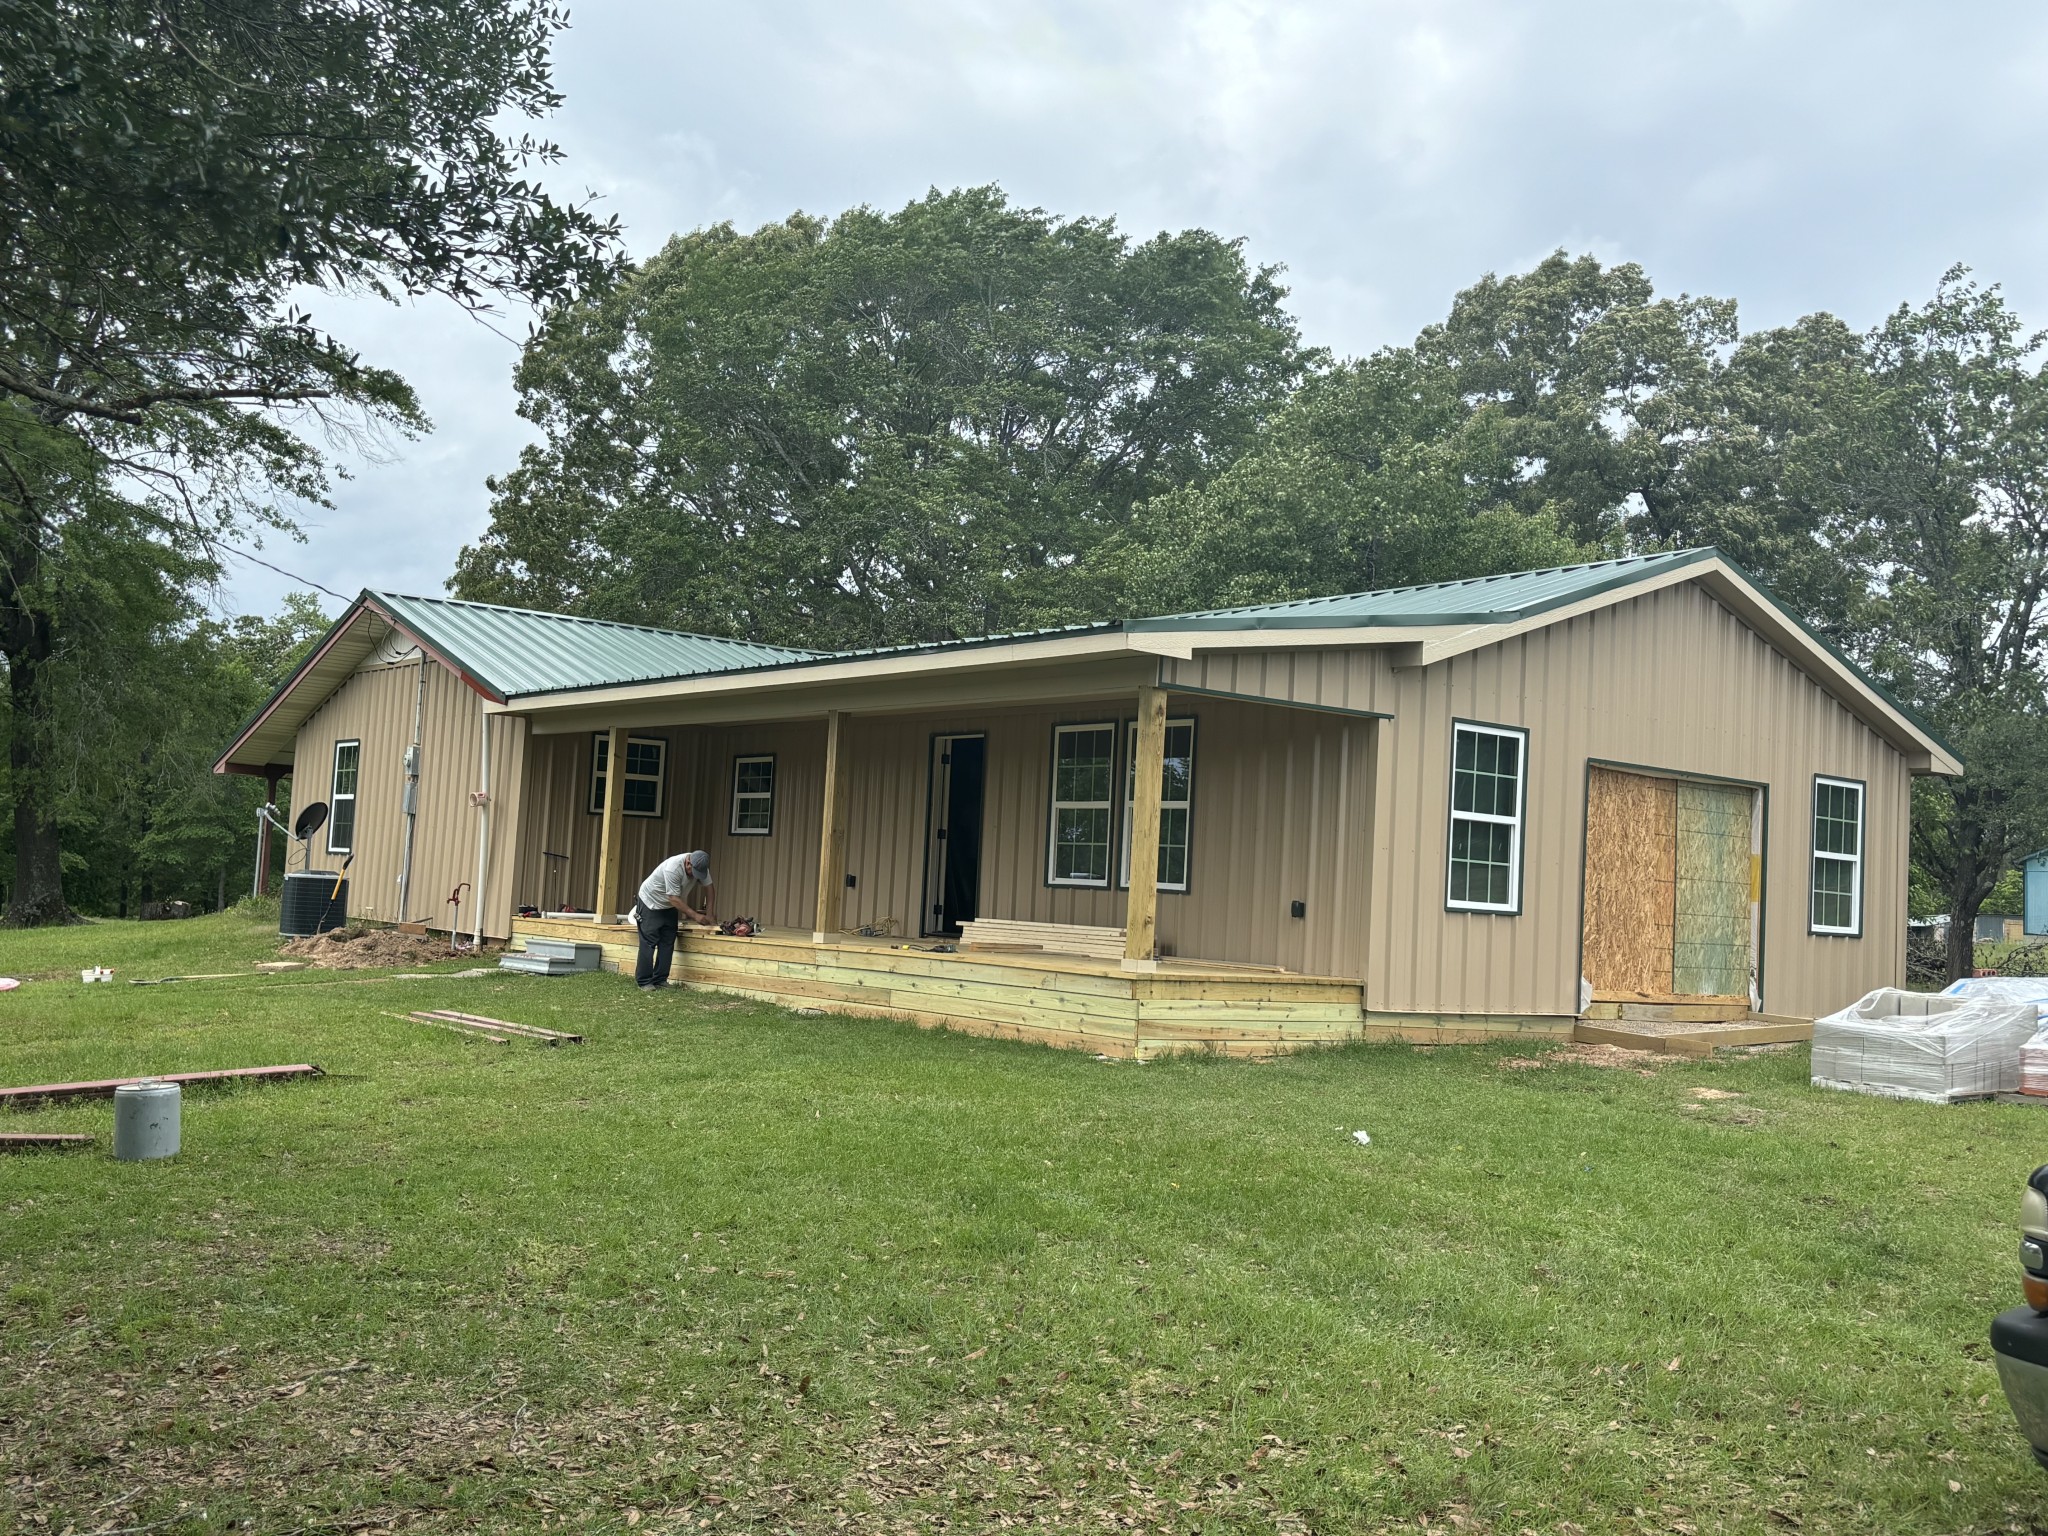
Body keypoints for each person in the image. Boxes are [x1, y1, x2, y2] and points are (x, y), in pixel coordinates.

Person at [632, 850, 714, 990]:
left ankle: (660, 979)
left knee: (668, 941)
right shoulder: (673, 868)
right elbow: (673, 898)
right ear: (688, 863)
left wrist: (710, 914)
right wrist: (696, 916)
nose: (695, 876)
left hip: (669, 905)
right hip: (651, 902)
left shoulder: (701, 865)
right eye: (693, 872)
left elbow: (710, 889)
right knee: (649, 942)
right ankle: (644, 981)